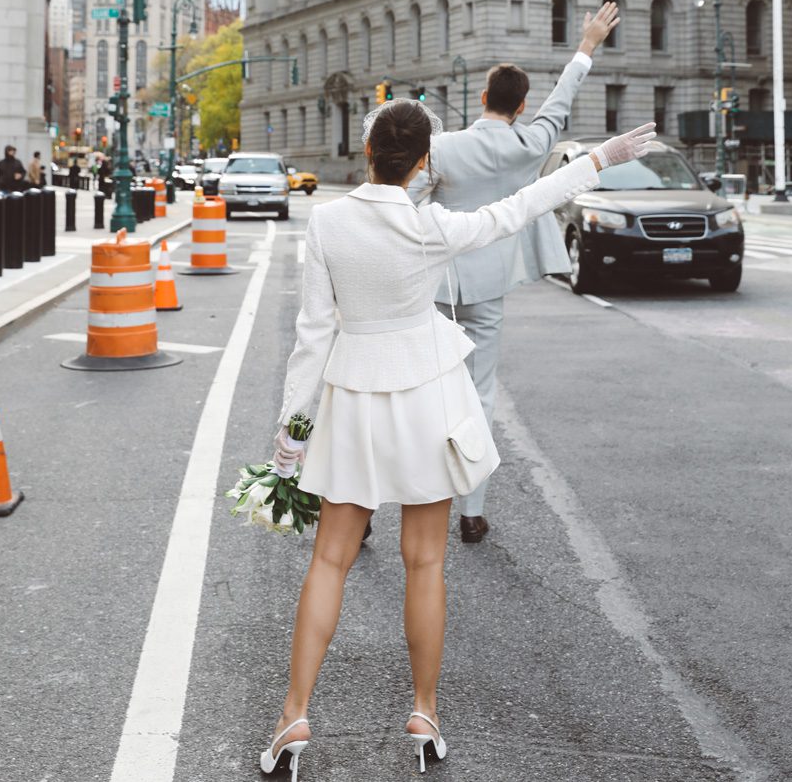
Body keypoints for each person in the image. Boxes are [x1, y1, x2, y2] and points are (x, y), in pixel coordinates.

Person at [259, 99, 655, 778]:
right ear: (423, 163)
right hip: (425, 400)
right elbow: (519, 207)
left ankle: (293, 715)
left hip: (353, 399)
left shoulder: (326, 222)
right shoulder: (431, 227)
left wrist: (293, 430)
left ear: (366, 155)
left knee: (329, 560)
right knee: (426, 562)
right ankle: (423, 711)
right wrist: (594, 160)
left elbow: (314, 336)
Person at [407, 0, 620, 544]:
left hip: (439, 285)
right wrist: (586, 45)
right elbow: (563, 101)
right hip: (492, 285)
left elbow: (407, 204)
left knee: (419, 389)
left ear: (482, 99)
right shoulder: (533, 140)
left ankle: (394, 499)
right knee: (479, 392)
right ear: (521, 107)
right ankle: (471, 510)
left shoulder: (443, 147)